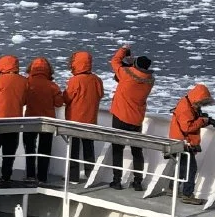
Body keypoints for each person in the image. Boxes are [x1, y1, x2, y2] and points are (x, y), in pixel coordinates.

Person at [107, 45, 155, 190]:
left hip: (120, 116)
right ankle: (138, 182)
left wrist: (123, 50)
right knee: (136, 151)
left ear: (135, 65)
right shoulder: (149, 81)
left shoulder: (126, 74)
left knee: (117, 149)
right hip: (136, 120)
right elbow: (137, 73)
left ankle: (117, 180)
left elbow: (115, 61)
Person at [168, 84, 215, 205]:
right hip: (183, 142)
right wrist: (202, 120)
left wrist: (205, 121)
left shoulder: (188, 103)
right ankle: (187, 195)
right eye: (201, 103)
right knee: (191, 168)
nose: (201, 105)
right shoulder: (185, 108)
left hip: (180, 140)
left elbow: (190, 123)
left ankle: (172, 188)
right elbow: (187, 127)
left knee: (182, 166)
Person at [62, 51, 105, 184]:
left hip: (74, 120)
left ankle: (73, 177)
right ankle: (90, 174)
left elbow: (67, 98)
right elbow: (101, 94)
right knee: (89, 148)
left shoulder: (75, 80)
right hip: (90, 119)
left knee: (73, 149)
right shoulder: (97, 80)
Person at [0, 55, 29, 185]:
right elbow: (25, 100)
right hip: (14, 122)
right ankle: (6, 177)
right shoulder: (24, 81)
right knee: (9, 153)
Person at [23, 57, 64, 184]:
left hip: (31, 119)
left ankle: (30, 175)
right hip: (48, 121)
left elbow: (22, 100)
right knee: (44, 149)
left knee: (29, 148)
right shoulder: (52, 86)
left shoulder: (27, 83)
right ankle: (42, 177)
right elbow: (58, 103)